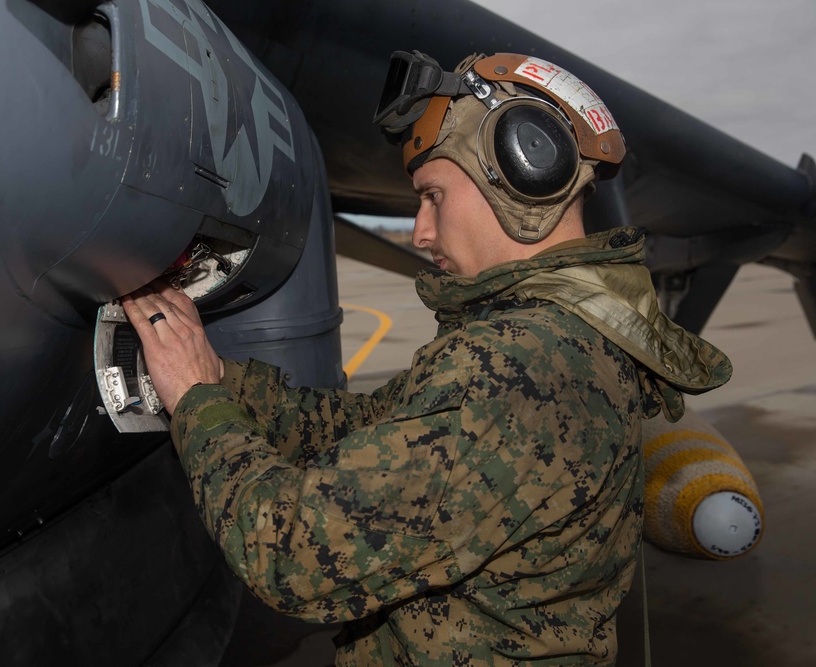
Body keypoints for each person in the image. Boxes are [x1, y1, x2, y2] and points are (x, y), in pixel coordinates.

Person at [122, 51, 731, 665]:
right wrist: (223, 378)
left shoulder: (518, 367)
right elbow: (371, 427)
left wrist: (198, 404)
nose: (420, 232)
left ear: (523, 172)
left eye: (433, 196)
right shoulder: (562, 335)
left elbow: (292, 554)